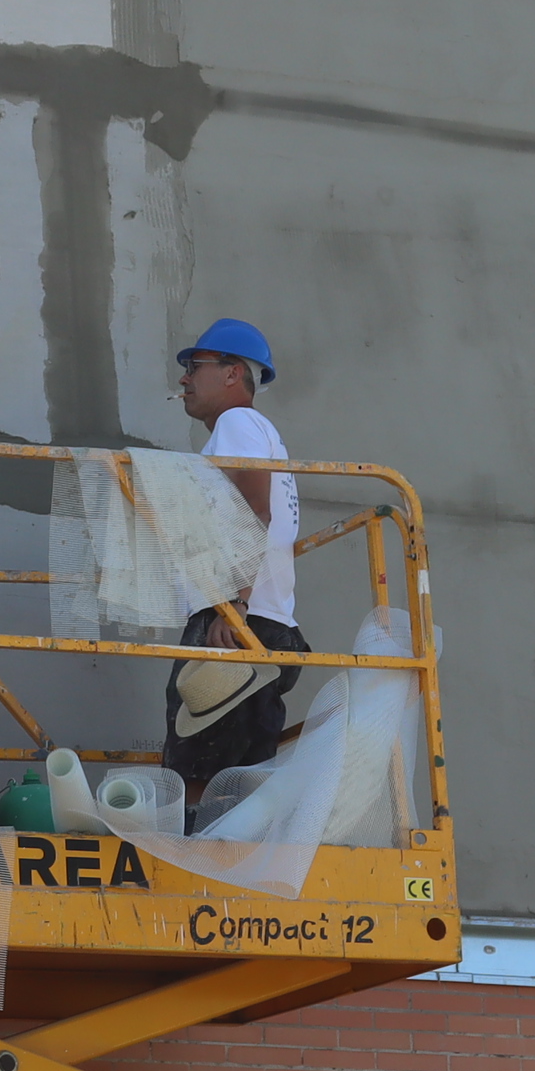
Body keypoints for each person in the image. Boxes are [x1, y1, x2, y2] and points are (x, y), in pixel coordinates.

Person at [159, 316, 313, 790]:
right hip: (261, 626)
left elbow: (254, 510)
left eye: (195, 366)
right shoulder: (254, 430)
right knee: (238, 790)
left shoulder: (237, 422)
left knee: (199, 784)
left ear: (232, 373)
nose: (184, 378)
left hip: (238, 624)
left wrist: (234, 603)